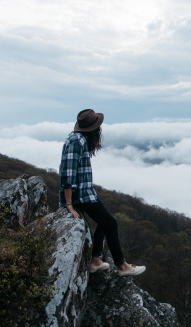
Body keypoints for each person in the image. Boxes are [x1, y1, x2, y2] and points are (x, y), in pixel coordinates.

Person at [59, 109, 146, 277]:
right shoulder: (77, 141)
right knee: (110, 223)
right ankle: (122, 266)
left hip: (84, 193)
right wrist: (68, 204)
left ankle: (95, 261)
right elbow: (67, 174)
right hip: (80, 195)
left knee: (105, 222)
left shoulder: (78, 139)